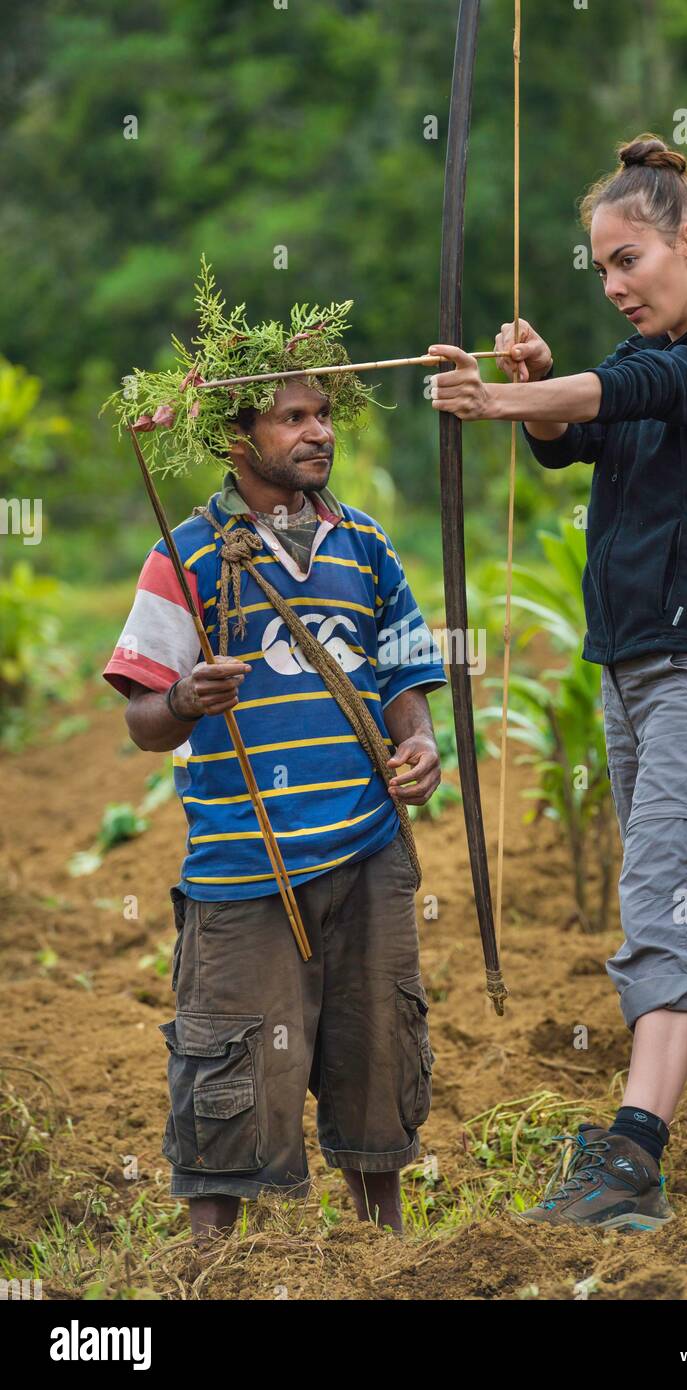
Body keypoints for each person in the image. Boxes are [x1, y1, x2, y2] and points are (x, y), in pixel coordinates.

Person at [427, 134, 687, 1232]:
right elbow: (587, 433)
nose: (614, 286)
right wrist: (537, 396)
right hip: (634, 684)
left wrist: (501, 402)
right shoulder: (651, 369)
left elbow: (641, 388)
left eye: (629, 261)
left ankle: (628, 1159)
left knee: (662, 901)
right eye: (602, 269)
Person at [103, 269, 446, 1243]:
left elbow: (402, 678)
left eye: (323, 412)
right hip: (243, 862)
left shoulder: (368, 547)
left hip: (370, 851)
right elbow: (142, 722)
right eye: (291, 416)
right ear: (235, 436)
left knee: (378, 1048)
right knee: (229, 1062)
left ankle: (384, 1253)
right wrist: (183, 698)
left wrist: (417, 748)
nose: (317, 432)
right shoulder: (189, 555)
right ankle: (216, 1264)